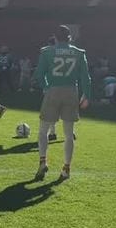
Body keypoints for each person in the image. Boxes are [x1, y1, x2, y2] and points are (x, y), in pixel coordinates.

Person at [32, 24, 91, 182]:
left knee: (43, 130)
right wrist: (87, 95)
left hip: (53, 90)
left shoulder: (47, 51)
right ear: (70, 37)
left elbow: (39, 74)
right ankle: (66, 168)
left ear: (56, 37)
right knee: (68, 133)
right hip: (71, 91)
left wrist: (46, 87)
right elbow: (85, 77)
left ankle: (43, 161)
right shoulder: (79, 53)